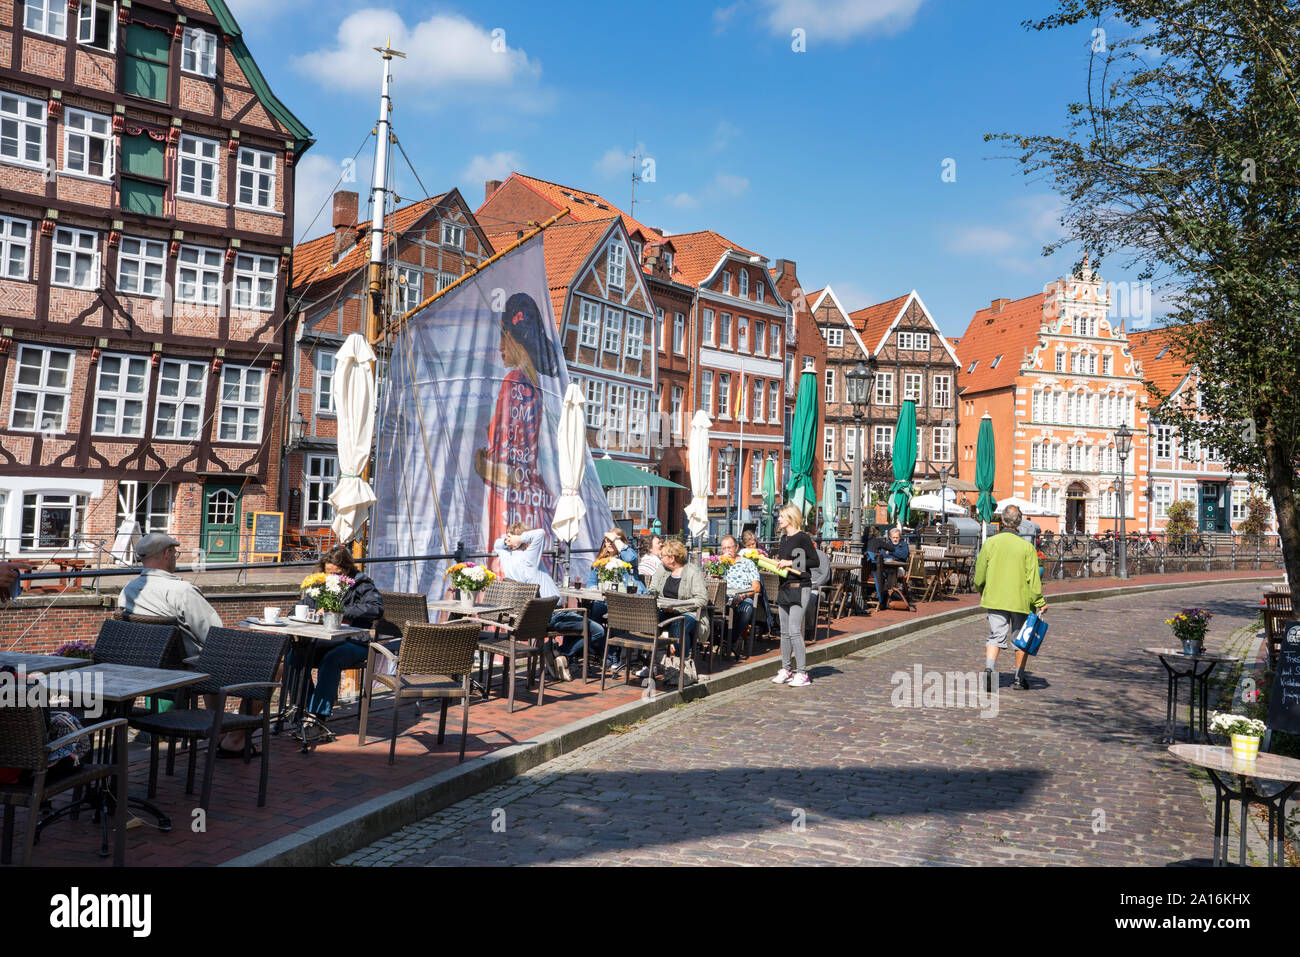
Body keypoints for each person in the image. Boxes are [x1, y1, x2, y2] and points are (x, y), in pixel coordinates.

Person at [117, 533, 250, 753]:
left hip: (145, 667)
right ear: (167, 553)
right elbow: (215, 635)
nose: (175, 558)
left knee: (207, 659)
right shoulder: (182, 591)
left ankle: (220, 732)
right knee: (273, 666)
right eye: (175, 553)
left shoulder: (128, 590)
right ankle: (235, 739)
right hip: (185, 670)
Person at [476, 292, 563, 563]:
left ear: (516, 338)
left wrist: (481, 465)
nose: (500, 346)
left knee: (503, 568)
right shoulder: (535, 389)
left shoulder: (513, 381)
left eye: (504, 336)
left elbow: (505, 469)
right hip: (534, 501)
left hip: (509, 502)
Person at [293, 546, 384, 743]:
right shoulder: (321, 582)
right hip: (326, 639)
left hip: (355, 641)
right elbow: (303, 605)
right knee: (294, 657)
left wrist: (340, 609)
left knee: (331, 660)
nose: (332, 577)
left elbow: (376, 608)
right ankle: (305, 710)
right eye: (328, 573)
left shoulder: (362, 583)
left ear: (347, 570)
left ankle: (318, 720)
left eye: (337, 573)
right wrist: (297, 614)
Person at [493, 523, 605, 681]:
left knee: (577, 624)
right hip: (553, 615)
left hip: (533, 618)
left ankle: (555, 653)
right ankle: (560, 654)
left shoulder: (507, 559)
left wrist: (507, 541)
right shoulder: (528, 558)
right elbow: (539, 534)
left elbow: (497, 545)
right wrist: (519, 539)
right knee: (598, 631)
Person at [974, 504, 1047, 692]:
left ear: (1002, 520)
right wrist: (1039, 602)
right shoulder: (1027, 547)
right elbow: (1033, 578)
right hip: (1021, 600)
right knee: (1020, 638)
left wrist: (980, 588)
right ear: (1019, 523)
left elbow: (980, 572)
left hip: (996, 597)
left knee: (995, 636)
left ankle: (990, 668)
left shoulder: (990, 543)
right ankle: (1018, 678)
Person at [647, 539, 709, 685]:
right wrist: (655, 598)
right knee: (647, 621)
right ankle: (651, 663)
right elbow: (652, 589)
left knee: (678, 625)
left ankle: (684, 667)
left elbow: (702, 600)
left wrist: (678, 608)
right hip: (665, 609)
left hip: (690, 613)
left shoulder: (693, 572)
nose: (660, 558)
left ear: (672, 558)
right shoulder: (662, 569)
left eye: (662, 555)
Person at [771, 504, 820, 687]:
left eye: (782, 517)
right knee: (783, 632)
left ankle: (803, 673)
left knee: (794, 630)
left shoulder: (803, 537)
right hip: (784, 586)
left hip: (800, 587)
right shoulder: (783, 539)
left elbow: (814, 561)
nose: (779, 519)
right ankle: (786, 669)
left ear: (790, 518)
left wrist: (790, 562)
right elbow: (784, 563)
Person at [718, 535, 759, 657]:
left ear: (736, 547)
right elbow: (712, 581)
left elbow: (757, 587)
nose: (727, 551)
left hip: (744, 596)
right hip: (724, 597)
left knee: (746, 609)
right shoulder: (720, 563)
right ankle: (718, 640)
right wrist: (720, 566)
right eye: (724, 548)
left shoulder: (748, 563)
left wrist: (743, 596)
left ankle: (729, 641)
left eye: (729, 548)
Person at [866, 526, 910, 610]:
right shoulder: (887, 544)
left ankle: (890, 594)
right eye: (893, 537)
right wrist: (894, 553)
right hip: (886, 567)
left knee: (891, 572)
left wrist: (890, 552)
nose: (895, 539)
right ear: (890, 537)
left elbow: (904, 555)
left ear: (900, 537)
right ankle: (886, 595)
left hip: (900, 568)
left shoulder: (904, 545)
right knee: (882, 573)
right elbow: (883, 554)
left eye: (897, 537)